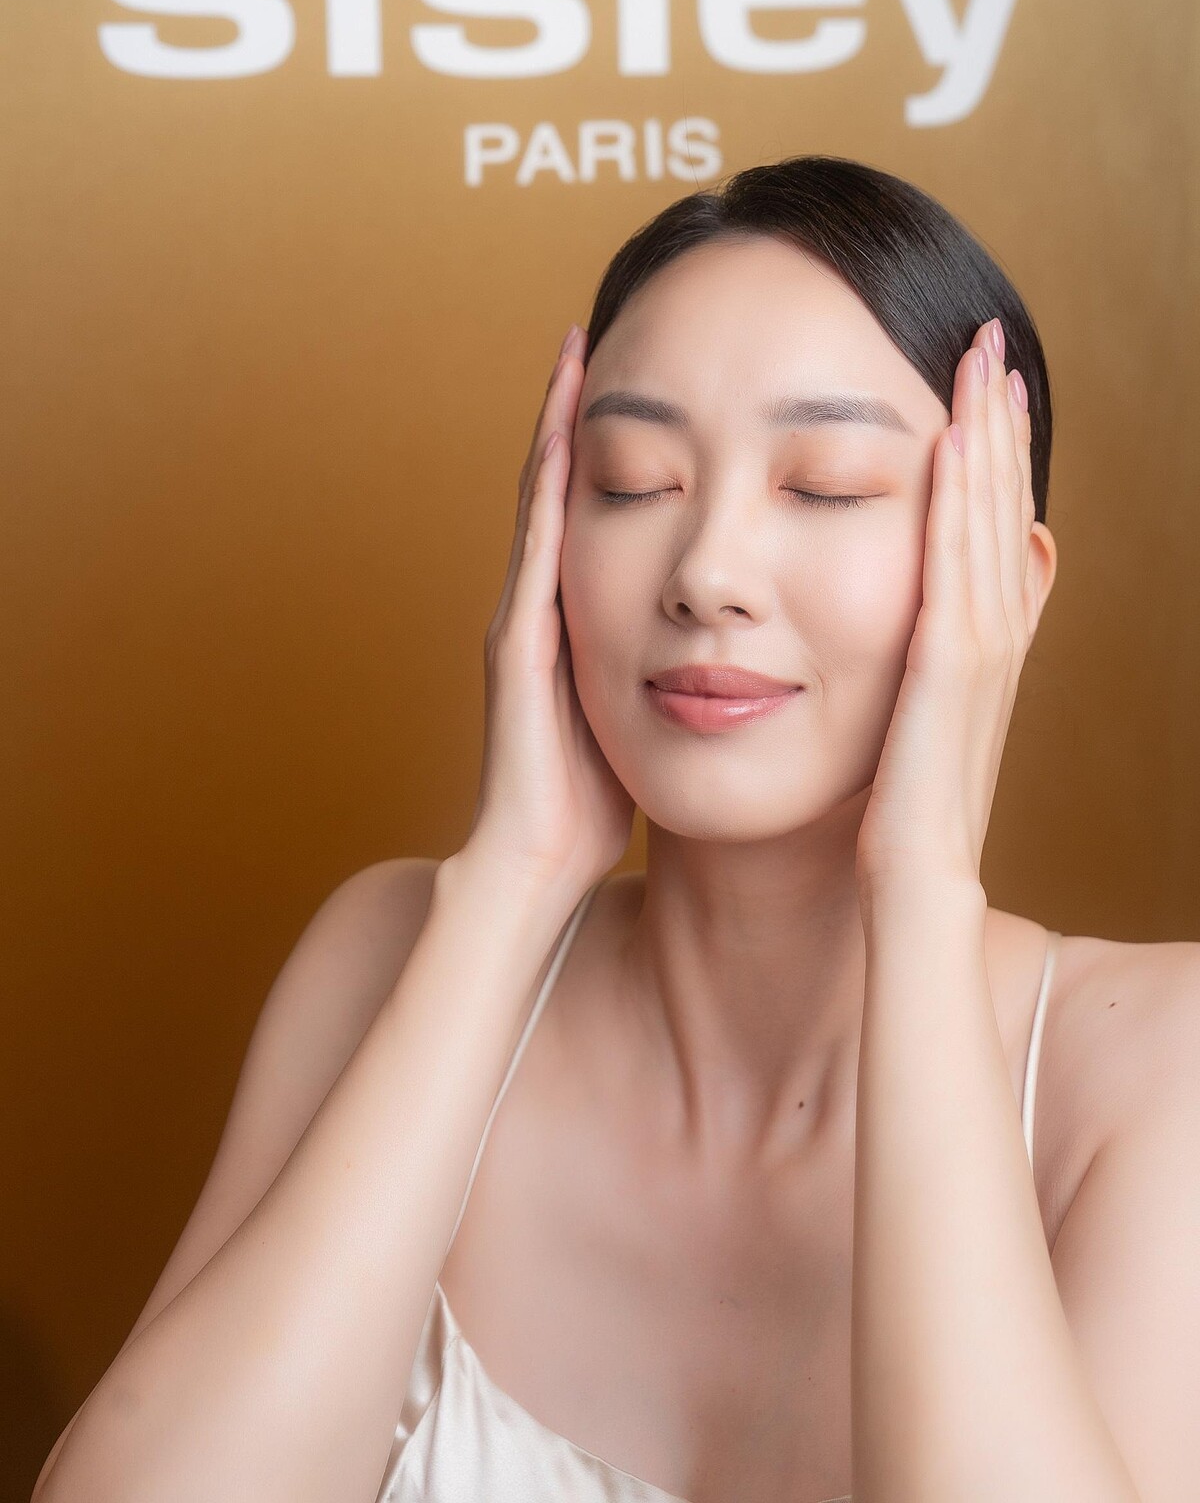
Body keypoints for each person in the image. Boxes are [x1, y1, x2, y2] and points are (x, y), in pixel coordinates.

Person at [33, 156, 1200, 1503]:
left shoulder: (1150, 1065)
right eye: (634, 482)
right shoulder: (389, 954)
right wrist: (512, 887)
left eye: (826, 487)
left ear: (1007, 580)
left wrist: (926, 891)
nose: (706, 574)